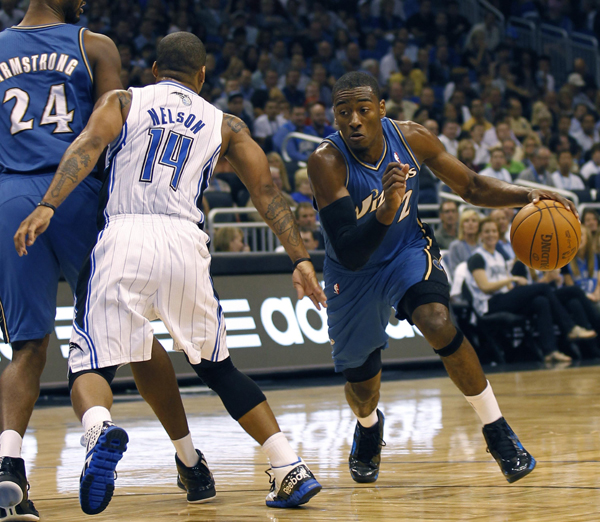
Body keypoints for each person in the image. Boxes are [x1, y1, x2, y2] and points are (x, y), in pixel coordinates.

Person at [14, 33, 326, 514]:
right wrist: (300, 258)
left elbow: (89, 145)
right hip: (185, 242)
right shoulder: (227, 125)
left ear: (157, 68)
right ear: (203, 77)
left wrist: (47, 204)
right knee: (218, 368)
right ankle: (289, 466)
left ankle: (99, 430)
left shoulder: (124, 99)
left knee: (91, 362)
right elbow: (266, 192)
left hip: (124, 234)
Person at [307, 71, 579, 487]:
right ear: (335, 116)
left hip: (406, 252)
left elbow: (470, 186)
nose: (354, 120)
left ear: (382, 109)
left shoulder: (413, 138)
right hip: (353, 273)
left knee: (436, 320)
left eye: (363, 110)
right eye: (344, 112)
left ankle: (497, 430)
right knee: (362, 387)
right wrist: (385, 208)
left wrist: (526, 195)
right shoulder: (326, 161)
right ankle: (368, 427)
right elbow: (349, 249)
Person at [0, 1, 124, 519]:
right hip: (73, 192)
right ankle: (96, 425)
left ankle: (8, 468)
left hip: (9, 197)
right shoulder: (93, 44)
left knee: (27, 346)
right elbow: (111, 127)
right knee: (108, 328)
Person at [466, 218, 595, 364]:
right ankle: (570, 328)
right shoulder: (477, 257)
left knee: (541, 301)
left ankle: (550, 351)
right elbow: (485, 287)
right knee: (543, 288)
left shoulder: (498, 256)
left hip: (504, 298)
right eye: (487, 231)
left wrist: (517, 288)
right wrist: (512, 280)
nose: (491, 234)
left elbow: (507, 287)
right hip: (489, 304)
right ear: (480, 235)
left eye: (494, 231)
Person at [446, 210, 481, 276]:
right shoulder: (455, 246)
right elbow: (453, 271)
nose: (470, 224)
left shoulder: (482, 245)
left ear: (478, 225)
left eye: (474, 221)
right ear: (462, 225)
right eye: (466, 221)